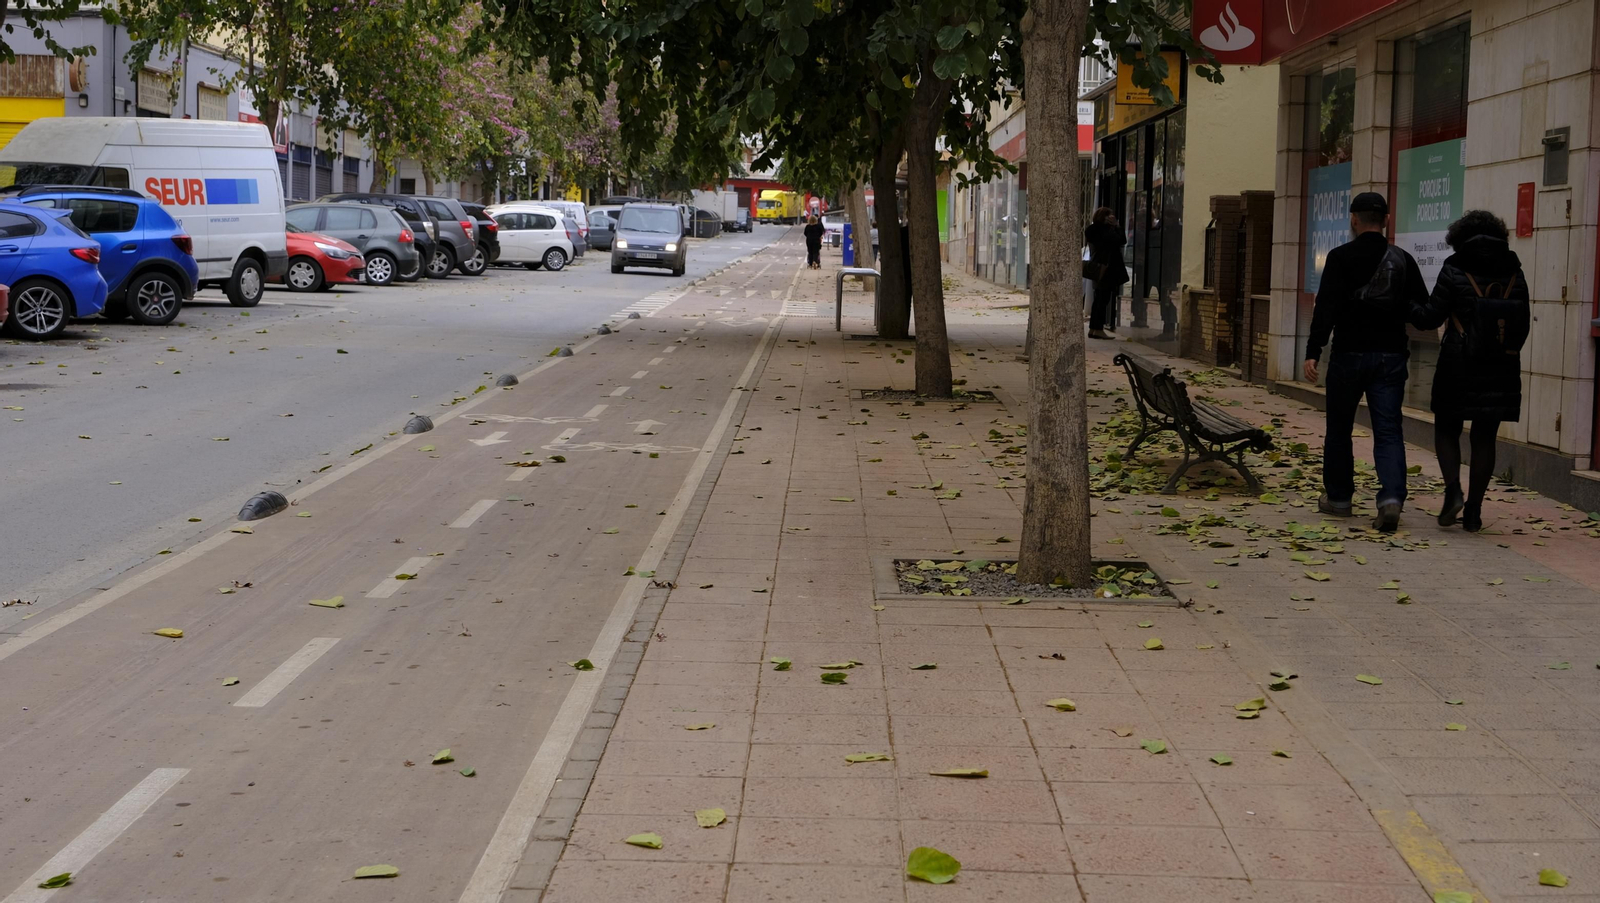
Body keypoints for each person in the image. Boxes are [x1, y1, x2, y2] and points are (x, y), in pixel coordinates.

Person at [1302, 192, 1428, 533]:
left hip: (1347, 356)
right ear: (1385, 220)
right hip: (1389, 357)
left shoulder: (1340, 257)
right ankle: (1390, 499)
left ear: (1354, 220)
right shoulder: (1402, 259)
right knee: (1388, 431)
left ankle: (1340, 499)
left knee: (1339, 429)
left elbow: (1325, 307)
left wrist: (1314, 349)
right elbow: (1422, 309)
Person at [1409, 210, 1530, 532]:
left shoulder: (1455, 268)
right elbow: (1523, 322)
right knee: (1485, 436)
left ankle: (1453, 493)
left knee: (1447, 428)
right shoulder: (1515, 272)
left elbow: (1430, 318)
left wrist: (1408, 303)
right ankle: (1474, 511)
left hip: (1457, 361)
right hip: (1501, 364)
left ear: (1459, 238)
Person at [1084, 207, 1128, 340]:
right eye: (1110, 216)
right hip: (1107, 269)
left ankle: (1094, 328)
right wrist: (1116, 226)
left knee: (1099, 299)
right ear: (1105, 218)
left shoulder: (1091, 230)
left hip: (1098, 268)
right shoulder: (1104, 231)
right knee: (1103, 300)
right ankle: (1098, 329)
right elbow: (1121, 240)